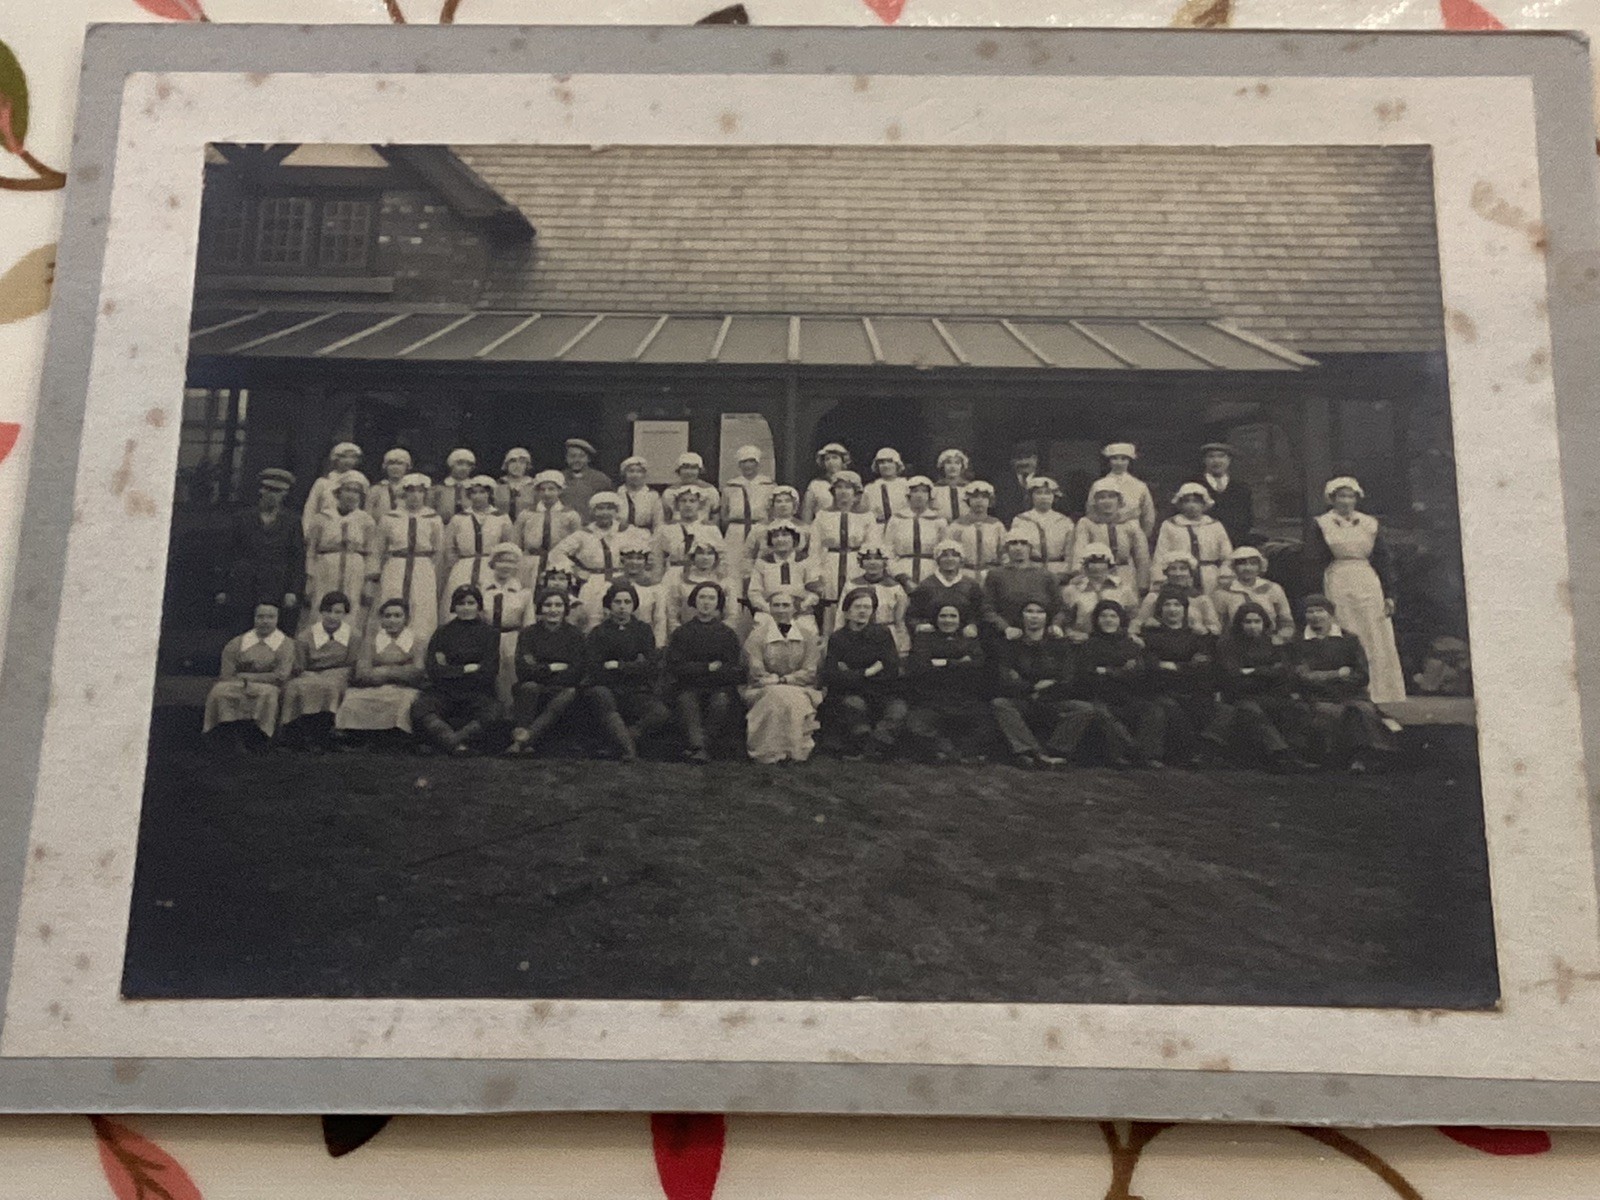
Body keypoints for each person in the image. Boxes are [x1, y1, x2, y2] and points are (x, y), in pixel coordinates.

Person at [1306, 476, 1405, 703]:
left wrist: (1390, 594)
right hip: (1338, 578)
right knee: (1346, 626)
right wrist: (1317, 595)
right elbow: (1313, 560)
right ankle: (1348, 688)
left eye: (1350, 496)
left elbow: (1383, 559)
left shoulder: (1370, 524)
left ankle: (1381, 690)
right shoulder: (1322, 523)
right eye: (1341, 496)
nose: (1346, 501)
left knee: (1374, 631)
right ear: (1332, 499)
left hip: (1367, 579)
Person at [1202, 602, 1313, 773]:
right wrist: (1266, 673)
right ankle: (1282, 755)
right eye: (1248, 622)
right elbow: (1232, 674)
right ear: (1240, 623)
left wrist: (1252, 671)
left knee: (1298, 708)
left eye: (1257, 621)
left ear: (1264, 622)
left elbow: (1283, 671)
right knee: (1251, 710)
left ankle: (1299, 753)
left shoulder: (1272, 643)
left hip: (1269, 694)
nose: (1253, 626)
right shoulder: (1228, 644)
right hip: (1239, 697)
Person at [990, 598, 1098, 769]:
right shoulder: (1011, 645)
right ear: (1022, 616)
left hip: (1052, 700)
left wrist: (1043, 692)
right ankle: (1033, 751)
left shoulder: (1059, 645)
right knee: (1000, 704)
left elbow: (1066, 678)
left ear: (1047, 617)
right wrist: (1032, 687)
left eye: (1040, 612)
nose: (1034, 616)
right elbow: (1005, 678)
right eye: (1029, 611)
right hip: (1023, 699)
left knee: (1084, 708)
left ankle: (1055, 751)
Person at [1293, 593, 1398, 770]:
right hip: (1317, 696)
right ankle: (1341, 758)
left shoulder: (1349, 640)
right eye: (1310, 611)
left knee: (1361, 710)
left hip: (1351, 693)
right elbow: (1302, 676)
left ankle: (1365, 756)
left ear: (1330, 614)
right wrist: (1338, 674)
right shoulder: (1298, 642)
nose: (1315, 616)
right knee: (1331, 713)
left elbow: (1361, 674)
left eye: (1320, 611)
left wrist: (1331, 680)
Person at [583, 582, 671, 761]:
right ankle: (629, 750)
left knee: (661, 712)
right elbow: (594, 668)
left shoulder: (643, 631)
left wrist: (618, 666)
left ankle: (622, 740)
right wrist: (634, 665)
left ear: (634, 605)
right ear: (609, 605)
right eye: (617, 602)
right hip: (607, 688)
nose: (622, 607)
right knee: (602, 697)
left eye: (627, 602)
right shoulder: (598, 633)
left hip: (635, 689)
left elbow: (650, 666)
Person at [410, 584, 501, 756]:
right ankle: (457, 745)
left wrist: (451, 670)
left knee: (492, 711)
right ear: (454, 606)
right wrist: (465, 669)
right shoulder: (442, 633)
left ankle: (450, 742)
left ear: (478, 606)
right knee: (421, 706)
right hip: (445, 692)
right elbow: (435, 670)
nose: (466, 608)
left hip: (476, 691)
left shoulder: (490, 634)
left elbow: (488, 671)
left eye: (471, 603)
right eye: (461, 603)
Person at [819, 586, 907, 759]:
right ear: (847, 612)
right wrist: (868, 671)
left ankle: (874, 745)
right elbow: (832, 675)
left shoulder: (882, 634)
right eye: (857, 607)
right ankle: (864, 745)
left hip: (881, 691)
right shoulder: (838, 638)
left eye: (867, 607)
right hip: (850, 693)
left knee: (898, 710)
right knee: (854, 706)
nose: (862, 611)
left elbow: (891, 668)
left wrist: (851, 673)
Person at [665, 581, 748, 762]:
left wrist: (701, 670)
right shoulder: (682, 633)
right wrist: (707, 668)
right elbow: (676, 667)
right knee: (687, 700)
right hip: (688, 686)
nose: (706, 602)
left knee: (721, 701)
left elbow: (732, 668)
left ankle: (702, 746)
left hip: (718, 687)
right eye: (702, 597)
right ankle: (699, 747)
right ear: (694, 600)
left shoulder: (727, 634)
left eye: (711, 598)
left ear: (718, 603)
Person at [1077, 599, 1165, 768]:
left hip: (1127, 695)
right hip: (1099, 696)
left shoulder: (1130, 644)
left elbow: (1138, 672)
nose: (1108, 620)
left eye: (1113, 616)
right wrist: (1119, 671)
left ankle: (1148, 755)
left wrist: (1105, 670)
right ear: (1097, 620)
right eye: (1103, 616)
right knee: (1101, 713)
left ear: (1120, 620)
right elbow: (1086, 674)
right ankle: (1128, 752)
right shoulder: (1088, 644)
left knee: (1154, 710)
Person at [740, 587, 824, 764]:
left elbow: (810, 670)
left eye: (786, 605)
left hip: (800, 688)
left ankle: (794, 750)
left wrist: (785, 680)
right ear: (769, 608)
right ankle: (768, 751)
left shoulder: (807, 636)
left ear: (794, 609)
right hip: (764, 687)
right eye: (776, 605)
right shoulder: (757, 636)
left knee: (792, 699)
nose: (780, 610)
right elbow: (755, 669)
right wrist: (771, 681)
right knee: (776, 696)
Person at [216, 467, 304, 635]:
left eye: (277, 491)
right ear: (261, 490)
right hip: (243, 585)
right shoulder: (242, 518)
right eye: (268, 489)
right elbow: (227, 553)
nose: (272, 495)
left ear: (285, 494)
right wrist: (222, 588)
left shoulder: (292, 521)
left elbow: (297, 558)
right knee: (240, 631)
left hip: (276, 585)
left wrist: (292, 591)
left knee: (273, 634)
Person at [203, 601, 297, 749]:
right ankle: (224, 732)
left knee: (266, 695)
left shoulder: (286, 644)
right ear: (254, 618)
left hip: (270, 686)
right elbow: (227, 673)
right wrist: (240, 681)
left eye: (270, 617)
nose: (265, 621)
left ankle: (260, 737)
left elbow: (281, 675)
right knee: (219, 691)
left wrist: (248, 677)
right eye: (260, 617)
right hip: (236, 683)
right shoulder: (237, 643)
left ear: (277, 619)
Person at [904, 603, 989, 763]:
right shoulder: (924, 639)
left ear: (960, 619)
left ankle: (959, 751)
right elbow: (921, 666)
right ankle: (944, 748)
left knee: (986, 724)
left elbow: (977, 666)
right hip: (932, 699)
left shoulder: (969, 640)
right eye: (943, 616)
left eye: (953, 616)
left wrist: (943, 662)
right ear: (935, 619)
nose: (948, 620)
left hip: (963, 699)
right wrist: (960, 662)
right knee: (915, 725)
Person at [1141, 587, 1217, 766]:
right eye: (1167, 605)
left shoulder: (1195, 636)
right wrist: (1187, 666)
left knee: (1217, 709)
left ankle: (1202, 752)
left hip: (1191, 689)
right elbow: (1152, 666)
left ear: (1184, 609)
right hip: (1162, 691)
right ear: (1160, 609)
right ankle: (1187, 753)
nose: (1172, 609)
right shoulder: (1150, 636)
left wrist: (1174, 666)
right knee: (1170, 707)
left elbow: (1202, 665)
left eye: (1177, 605)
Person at [506, 588, 587, 757]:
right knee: (528, 688)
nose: (553, 610)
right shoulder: (528, 634)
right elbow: (524, 669)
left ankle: (523, 741)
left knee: (569, 693)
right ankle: (526, 741)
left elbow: (576, 670)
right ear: (540, 608)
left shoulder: (575, 635)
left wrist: (542, 669)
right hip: (535, 685)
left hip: (563, 687)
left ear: (565, 608)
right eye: (548, 605)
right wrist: (551, 668)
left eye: (558, 605)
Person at [335, 597, 429, 740]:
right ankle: (358, 737)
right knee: (353, 699)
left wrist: (384, 671)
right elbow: (362, 672)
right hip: (374, 686)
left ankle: (393, 738)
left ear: (406, 619)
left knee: (402, 702)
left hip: (403, 688)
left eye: (397, 616)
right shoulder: (371, 641)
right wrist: (400, 670)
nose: (392, 620)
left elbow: (417, 671)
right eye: (387, 616)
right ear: (381, 620)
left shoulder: (417, 641)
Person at [370, 472, 446, 645]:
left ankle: (420, 648)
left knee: (421, 605)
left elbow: (439, 549)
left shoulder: (433, 518)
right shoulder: (390, 518)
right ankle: (387, 647)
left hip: (422, 566)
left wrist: (429, 569)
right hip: (396, 566)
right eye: (411, 491)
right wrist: (375, 573)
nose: (415, 496)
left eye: (420, 491)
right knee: (392, 598)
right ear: (403, 493)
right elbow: (378, 548)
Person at [279, 590, 359, 750]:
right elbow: (300, 665)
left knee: (330, 687)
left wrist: (335, 674)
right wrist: (308, 673)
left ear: (345, 614)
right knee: (296, 687)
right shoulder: (305, 636)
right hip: (310, 673)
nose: (332, 616)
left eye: (338, 612)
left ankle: (323, 733)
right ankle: (296, 733)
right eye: (328, 611)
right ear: (321, 612)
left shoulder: (353, 636)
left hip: (339, 673)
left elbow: (351, 663)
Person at [304, 470, 377, 636]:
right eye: (347, 490)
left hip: (354, 569)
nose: (351, 495)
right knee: (322, 602)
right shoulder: (322, 518)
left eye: (356, 492)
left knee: (352, 606)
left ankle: (347, 645)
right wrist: (310, 577)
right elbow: (311, 550)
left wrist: (369, 582)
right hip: (326, 567)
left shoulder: (366, 520)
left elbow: (372, 552)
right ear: (338, 492)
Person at [811, 471, 880, 634]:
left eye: (848, 487)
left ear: (856, 492)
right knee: (830, 604)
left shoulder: (866, 516)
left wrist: (866, 572)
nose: (843, 491)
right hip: (830, 563)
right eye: (839, 487)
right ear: (833, 491)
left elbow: (872, 545)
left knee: (856, 600)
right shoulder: (822, 515)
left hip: (855, 564)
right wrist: (816, 574)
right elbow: (814, 548)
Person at [576, 530, 663, 644]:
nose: (634, 562)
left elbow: (659, 620)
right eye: (630, 558)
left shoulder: (654, 588)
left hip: (643, 639)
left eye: (639, 558)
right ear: (622, 560)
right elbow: (597, 616)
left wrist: (658, 645)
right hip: (613, 640)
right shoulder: (609, 585)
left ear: (645, 561)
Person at [1153, 482, 1233, 596]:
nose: (1191, 505)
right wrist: (1158, 577)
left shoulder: (1215, 525)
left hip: (1209, 575)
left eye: (1196, 501)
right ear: (1180, 504)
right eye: (1187, 501)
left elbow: (1227, 555)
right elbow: (1161, 554)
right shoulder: (1170, 525)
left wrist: (1225, 572)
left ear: (1204, 504)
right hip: (1180, 575)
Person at [982, 531, 1061, 645]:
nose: (1018, 548)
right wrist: (1005, 628)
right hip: (1006, 638)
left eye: (1023, 543)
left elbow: (1060, 607)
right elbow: (987, 608)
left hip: (1040, 639)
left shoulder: (1046, 576)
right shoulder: (995, 575)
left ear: (1030, 548)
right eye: (1013, 543)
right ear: (1007, 548)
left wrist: (1056, 625)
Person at [442, 475, 513, 600]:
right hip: (464, 567)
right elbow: (449, 546)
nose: (478, 496)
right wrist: (456, 565)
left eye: (482, 492)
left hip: (491, 568)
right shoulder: (459, 518)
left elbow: (508, 545)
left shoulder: (501, 518)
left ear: (489, 494)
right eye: (474, 493)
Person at [1072, 484, 1152, 594]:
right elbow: (1080, 550)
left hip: (1125, 573)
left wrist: (1143, 584)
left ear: (1119, 500)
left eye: (1111, 497)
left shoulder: (1130, 524)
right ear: (1094, 502)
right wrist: (1079, 574)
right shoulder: (1087, 523)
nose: (1107, 501)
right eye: (1102, 497)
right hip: (1096, 573)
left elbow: (1142, 556)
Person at [480, 544, 533, 707]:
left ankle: (510, 711)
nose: (506, 566)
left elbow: (529, 624)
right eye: (501, 561)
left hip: (512, 640)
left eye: (511, 562)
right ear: (493, 563)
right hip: (486, 639)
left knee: (510, 676)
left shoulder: (523, 593)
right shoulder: (482, 590)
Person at [747, 521, 820, 634]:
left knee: (808, 632)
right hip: (769, 612)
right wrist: (769, 608)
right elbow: (754, 592)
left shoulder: (806, 561)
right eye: (776, 536)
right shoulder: (762, 562)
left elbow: (814, 591)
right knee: (760, 633)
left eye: (785, 535)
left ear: (794, 538)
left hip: (800, 612)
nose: (780, 539)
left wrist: (801, 606)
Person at [514, 469, 582, 590]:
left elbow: (578, 543)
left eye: (551, 489)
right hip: (531, 560)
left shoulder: (570, 515)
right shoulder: (526, 514)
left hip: (559, 561)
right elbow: (516, 541)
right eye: (542, 489)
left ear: (560, 490)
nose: (547, 493)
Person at [1212, 545, 1295, 645]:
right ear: (1234, 567)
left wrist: (1280, 638)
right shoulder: (1223, 592)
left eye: (1253, 563)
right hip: (1237, 644)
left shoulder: (1273, 589)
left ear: (1260, 566)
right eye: (1242, 564)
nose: (1247, 568)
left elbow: (1286, 621)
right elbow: (1219, 624)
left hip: (1269, 642)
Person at [1058, 544, 1141, 642]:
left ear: (1109, 564)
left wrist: (1130, 634)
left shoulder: (1123, 589)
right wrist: (1071, 633)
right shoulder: (1072, 590)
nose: (1097, 567)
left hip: (1116, 641)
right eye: (1092, 562)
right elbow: (1064, 619)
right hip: (1083, 641)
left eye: (1101, 562)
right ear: (1085, 564)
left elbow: (1134, 616)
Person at [659, 535, 735, 638]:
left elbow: (732, 615)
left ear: (716, 557)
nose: (705, 558)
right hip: (686, 634)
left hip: (716, 635)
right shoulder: (680, 578)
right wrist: (679, 634)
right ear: (693, 555)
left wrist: (720, 635)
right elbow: (672, 611)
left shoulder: (725, 581)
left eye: (710, 554)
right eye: (700, 553)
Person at [549, 492, 630, 586]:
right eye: (600, 508)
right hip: (592, 581)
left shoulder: (627, 531)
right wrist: (575, 570)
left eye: (610, 508)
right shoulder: (583, 534)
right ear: (593, 511)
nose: (605, 512)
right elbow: (555, 554)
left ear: (616, 511)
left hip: (621, 580)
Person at [881, 475, 946, 591]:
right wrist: (901, 577)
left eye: (924, 491)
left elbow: (944, 551)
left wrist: (936, 577)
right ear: (908, 494)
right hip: (902, 571)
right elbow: (887, 551)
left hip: (931, 573)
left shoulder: (939, 521)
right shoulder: (896, 519)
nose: (919, 495)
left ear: (930, 495)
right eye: (915, 491)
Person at [1133, 555, 1223, 637]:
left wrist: (1203, 630)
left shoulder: (1201, 599)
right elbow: (1137, 624)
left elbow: (1216, 628)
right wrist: (1146, 625)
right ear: (1166, 573)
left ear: (1190, 573)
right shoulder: (1154, 597)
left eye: (1183, 569)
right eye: (1173, 569)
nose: (1178, 573)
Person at [907, 540, 985, 633]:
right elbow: (912, 616)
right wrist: (920, 626)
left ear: (961, 559)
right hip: (932, 636)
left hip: (964, 637)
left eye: (955, 555)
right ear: (937, 559)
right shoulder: (926, 585)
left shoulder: (971, 585)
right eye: (944, 555)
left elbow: (980, 612)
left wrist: (973, 626)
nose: (950, 559)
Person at [846, 545, 911, 655]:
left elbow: (900, 620)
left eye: (877, 559)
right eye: (867, 559)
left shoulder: (895, 588)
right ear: (861, 562)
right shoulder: (851, 585)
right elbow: (842, 614)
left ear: (885, 562)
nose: (872, 563)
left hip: (887, 635)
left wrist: (902, 646)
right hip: (859, 634)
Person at [1008, 476, 1075, 581]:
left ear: (1054, 496)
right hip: (1029, 571)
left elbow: (1070, 552)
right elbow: (1013, 548)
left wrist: (1065, 574)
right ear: (1031, 496)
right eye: (1038, 493)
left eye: (1048, 493)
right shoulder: (1021, 520)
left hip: (1058, 571)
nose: (1043, 497)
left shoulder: (1064, 521)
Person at [1086, 442, 1156, 541]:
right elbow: (1091, 511)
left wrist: (1141, 538)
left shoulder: (1140, 486)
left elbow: (1148, 515)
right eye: (1114, 458)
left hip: (1132, 536)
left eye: (1123, 459)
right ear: (1109, 461)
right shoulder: (1098, 485)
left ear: (1129, 461)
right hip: (1103, 535)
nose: (1119, 463)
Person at [720, 445, 774, 573]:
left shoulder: (769, 485)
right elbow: (724, 512)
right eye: (744, 462)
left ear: (757, 464)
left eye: (751, 461)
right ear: (739, 464)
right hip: (736, 530)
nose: (748, 465)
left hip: (760, 527)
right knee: (733, 565)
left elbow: (772, 511)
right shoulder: (731, 486)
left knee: (758, 563)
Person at [1194, 441, 1254, 548]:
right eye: (1211, 456)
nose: (1216, 461)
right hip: (1202, 542)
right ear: (1204, 460)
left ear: (1229, 460)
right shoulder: (1194, 485)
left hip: (1234, 542)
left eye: (1221, 456)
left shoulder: (1241, 488)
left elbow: (1247, 518)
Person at [652, 488, 722, 578]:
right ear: (677, 505)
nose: (687, 505)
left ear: (699, 505)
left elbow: (721, 557)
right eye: (683, 501)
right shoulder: (666, 529)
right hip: (674, 574)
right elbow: (656, 557)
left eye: (692, 501)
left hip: (701, 575)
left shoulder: (710, 529)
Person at [949, 481, 1008, 581]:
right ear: (968, 500)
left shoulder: (997, 525)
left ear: (990, 501)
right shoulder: (957, 525)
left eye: (984, 497)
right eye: (975, 497)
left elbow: (1004, 552)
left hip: (991, 574)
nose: (979, 501)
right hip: (965, 573)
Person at [302, 441, 363, 535]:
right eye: (344, 457)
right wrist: (308, 532)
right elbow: (310, 509)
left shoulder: (360, 481)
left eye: (352, 457)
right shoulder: (322, 482)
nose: (348, 461)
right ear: (335, 459)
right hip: (324, 528)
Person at [744, 484, 812, 567]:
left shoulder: (804, 529)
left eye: (787, 501)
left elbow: (811, 555)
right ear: (772, 504)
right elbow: (748, 556)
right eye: (778, 501)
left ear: (794, 504)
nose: (783, 505)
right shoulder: (759, 529)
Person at [662, 451, 721, 526]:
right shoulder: (670, 492)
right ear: (679, 470)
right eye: (685, 468)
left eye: (693, 468)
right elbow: (666, 518)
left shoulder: (710, 490)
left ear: (699, 470)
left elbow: (716, 517)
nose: (689, 472)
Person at [801, 442, 854, 523]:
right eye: (827, 459)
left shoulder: (852, 483)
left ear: (843, 461)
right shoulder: (816, 484)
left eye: (835, 458)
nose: (831, 462)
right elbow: (807, 511)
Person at [562, 438, 613, 516]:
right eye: (572, 456)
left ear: (588, 459)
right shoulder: (559, 478)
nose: (576, 460)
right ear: (566, 458)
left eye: (581, 456)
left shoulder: (601, 479)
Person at [995, 441, 1042, 523]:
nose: (1023, 462)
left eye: (1027, 458)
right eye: (1019, 459)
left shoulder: (1046, 479)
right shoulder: (1002, 482)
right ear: (1011, 461)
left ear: (1035, 459)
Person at [617, 455, 665, 534]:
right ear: (624, 473)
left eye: (639, 472)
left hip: (645, 535)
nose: (635, 475)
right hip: (620, 535)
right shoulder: (617, 494)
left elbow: (658, 522)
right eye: (631, 471)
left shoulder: (652, 495)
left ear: (644, 474)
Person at [864, 447, 911, 525]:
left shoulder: (907, 485)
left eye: (890, 462)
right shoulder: (870, 488)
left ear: (897, 464)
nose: (886, 466)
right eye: (881, 462)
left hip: (903, 525)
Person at [929, 448, 974, 524]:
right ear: (942, 466)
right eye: (948, 463)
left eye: (957, 463)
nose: (953, 467)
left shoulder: (970, 488)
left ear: (962, 466)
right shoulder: (935, 488)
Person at [366, 448, 412, 521]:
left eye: (400, 463)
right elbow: (367, 514)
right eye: (391, 463)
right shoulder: (376, 490)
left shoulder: (412, 488)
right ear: (385, 466)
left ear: (407, 466)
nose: (395, 467)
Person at [432, 448, 477, 518]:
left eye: (468, 465)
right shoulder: (438, 487)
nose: (464, 468)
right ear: (451, 465)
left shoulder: (475, 488)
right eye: (460, 464)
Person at [495, 448, 537, 525]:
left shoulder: (534, 486)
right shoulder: (498, 484)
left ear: (527, 465)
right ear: (507, 464)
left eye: (522, 462)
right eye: (513, 461)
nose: (517, 466)